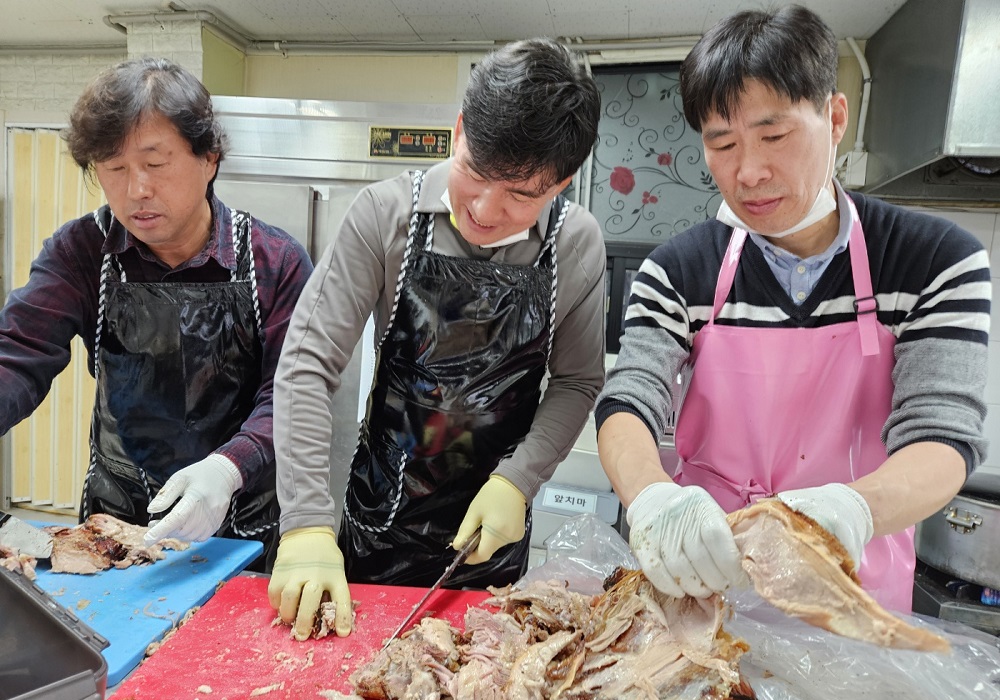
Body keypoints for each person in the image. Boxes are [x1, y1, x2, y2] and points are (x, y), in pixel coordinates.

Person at [596, 5, 990, 613]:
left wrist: (853, 510)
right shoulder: (676, 271)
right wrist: (651, 496)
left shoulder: (936, 260)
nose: (749, 172)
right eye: (722, 144)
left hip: (850, 590)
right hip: (707, 582)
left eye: (774, 136)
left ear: (835, 118)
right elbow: (630, 398)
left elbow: (942, 434)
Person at [269, 38, 606, 638]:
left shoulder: (576, 246)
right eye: (475, 171)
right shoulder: (384, 215)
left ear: (562, 184)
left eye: (521, 195)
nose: (485, 209)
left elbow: (578, 382)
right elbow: (307, 363)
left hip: (492, 533)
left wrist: (519, 480)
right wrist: (305, 523)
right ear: (459, 131)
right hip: (381, 517)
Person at [0, 58, 313, 571]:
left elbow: (294, 393)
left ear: (208, 158)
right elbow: (18, 353)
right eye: (114, 168)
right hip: (117, 525)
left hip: (241, 522)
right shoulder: (81, 251)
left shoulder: (274, 261)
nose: (136, 190)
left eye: (156, 164)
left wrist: (228, 469)